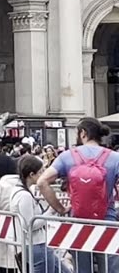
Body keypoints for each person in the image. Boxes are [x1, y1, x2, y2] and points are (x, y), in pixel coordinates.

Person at [38, 117, 119, 273]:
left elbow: (42, 182)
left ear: (83, 133)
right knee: (110, 268)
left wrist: (61, 209)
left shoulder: (67, 156)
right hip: (107, 220)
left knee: (82, 268)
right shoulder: (114, 157)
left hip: (77, 221)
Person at [13, 156, 61, 273]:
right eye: (40, 172)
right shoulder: (24, 196)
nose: (43, 174)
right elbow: (30, 225)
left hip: (35, 244)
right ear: (31, 174)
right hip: (36, 244)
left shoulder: (18, 191)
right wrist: (50, 212)